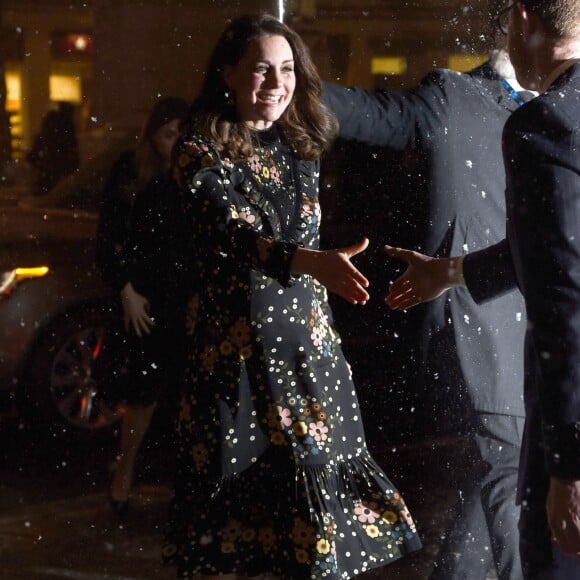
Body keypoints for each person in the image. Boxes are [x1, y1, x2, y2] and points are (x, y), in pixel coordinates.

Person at [161, 13, 421, 579]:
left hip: (309, 354)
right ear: (228, 72)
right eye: (260, 70)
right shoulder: (197, 151)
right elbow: (230, 232)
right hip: (240, 363)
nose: (277, 84)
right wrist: (307, 262)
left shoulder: (301, 145)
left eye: (286, 70)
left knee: (314, 531)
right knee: (240, 532)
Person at [321, 2, 531, 578]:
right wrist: (284, 77)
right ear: (519, 27)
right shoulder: (453, 97)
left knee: (492, 507)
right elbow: (367, 113)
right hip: (490, 339)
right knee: (510, 484)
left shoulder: (568, 107)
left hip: (551, 342)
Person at [384, 1, 580, 577]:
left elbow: (566, 294)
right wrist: (448, 273)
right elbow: (547, 253)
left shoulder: (546, 124)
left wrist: (569, 469)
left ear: (521, 20)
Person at [95, 96, 190, 515]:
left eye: (182, 134)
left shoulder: (194, 175)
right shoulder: (133, 171)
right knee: (144, 393)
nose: (177, 142)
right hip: (149, 296)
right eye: (170, 134)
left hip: (186, 293)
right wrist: (126, 289)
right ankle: (125, 469)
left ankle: (185, 484)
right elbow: (109, 236)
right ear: (154, 135)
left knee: (187, 392)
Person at [27, 101, 80, 195]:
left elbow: (32, 157)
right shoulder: (64, 125)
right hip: (55, 175)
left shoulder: (56, 124)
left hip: (51, 176)